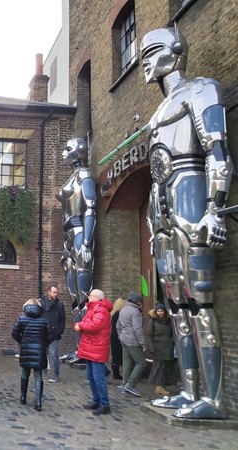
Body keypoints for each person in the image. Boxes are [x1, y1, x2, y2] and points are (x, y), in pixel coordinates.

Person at [141, 27, 233, 419]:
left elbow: (218, 150)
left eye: (152, 50)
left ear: (175, 51)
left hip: (191, 200)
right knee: (177, 307)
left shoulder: (202, 89)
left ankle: (212, 399)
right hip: (162, 210)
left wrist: (215, 207)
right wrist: (149, 223)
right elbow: (154, 173)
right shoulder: (157, 113)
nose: (145, 60)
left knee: (201, 302)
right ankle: (189, 389)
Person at [56, 138, 96, 359]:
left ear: (79, 152)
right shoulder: (72, 177)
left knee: (85, 294)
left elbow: (90, 208)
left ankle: (86, 350)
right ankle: (79, 349)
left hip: (80, 233)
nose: (64, 153)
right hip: (68, 237)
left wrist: (88, 242)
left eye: (68, 148)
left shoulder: (85, 176)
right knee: (73, 296)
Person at [73, 289, 112, 416]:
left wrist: (81, 326)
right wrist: (79, 325)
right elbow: (86, 322)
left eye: (90, 296)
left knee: (98, 378)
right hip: (91, 348)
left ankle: (104, 404)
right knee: (91, 377)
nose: (88, 297)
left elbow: (94, 325)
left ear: (97, 298)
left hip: (97, 348)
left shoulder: (101, 310)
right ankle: (97, 400)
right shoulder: (92, 309)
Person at [11, 298, 52, 411]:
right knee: (38, 375)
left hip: (25, 349)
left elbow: (14, 333)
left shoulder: (21, 319)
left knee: (25, 372)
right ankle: (38, 401)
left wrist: (22, 342)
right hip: (39, 350)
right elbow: (50, 336)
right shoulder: (44, 321)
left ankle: (23, 396)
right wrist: (43, 344)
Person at [116, 292, 147, 397]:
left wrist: (120, 336)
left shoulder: (123, 309)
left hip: (124, 339)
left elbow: (118, 325)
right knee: (141, 362)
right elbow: (137, 329)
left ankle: (124, 383)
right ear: (138, 302)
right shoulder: (135, 312)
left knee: (127, 362)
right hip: (133, 340)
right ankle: (130, 384)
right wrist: (143, 343)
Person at [147, 303, 175, 397]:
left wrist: (173, 342)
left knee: (167, 366)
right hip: (158, 347)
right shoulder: (153, 322)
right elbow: (149, 335)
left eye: (161, 311)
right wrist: (151, 348)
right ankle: (159, 386)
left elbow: (172, 334)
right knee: (159, 367)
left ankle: (163, 385)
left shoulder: (169, 321)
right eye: (158, 311)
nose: (160, 313)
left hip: (168, 347)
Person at [40, 286, 65, 382]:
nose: (56, 294)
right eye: (54, 292)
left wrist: (60, 330)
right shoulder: (42, 303)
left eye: (57, 293)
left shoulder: (59, 304)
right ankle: (43, 372)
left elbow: (63, 319)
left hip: (54, 332)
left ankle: (55, 375)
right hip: (43, 331)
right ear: (48, 292)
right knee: (43, 353)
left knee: (54, 353)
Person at [109, 297, 127, 380]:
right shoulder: (119, 313)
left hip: (113, 335)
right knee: (117, 355)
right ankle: (116, 374)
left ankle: (115, 373)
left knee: (115, 355)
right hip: (117, 336)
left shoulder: (114, 313)